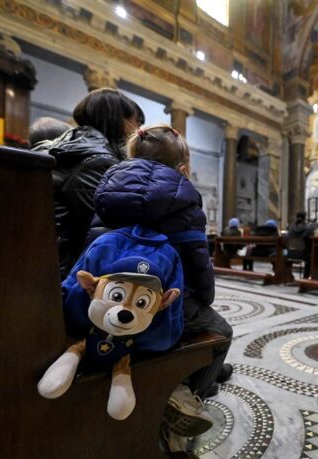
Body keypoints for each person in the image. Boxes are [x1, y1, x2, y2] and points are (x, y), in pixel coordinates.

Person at [92, 124, 233, 449]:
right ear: (182, 169)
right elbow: (199, 266)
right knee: (221, 332)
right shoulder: (184, 197)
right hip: (157, 305)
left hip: (105, 304)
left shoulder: (107, 187)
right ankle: (186, 396)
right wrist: (205, 298)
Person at [32, 88, 144, 279]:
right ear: (120, 121)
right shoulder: (97, 161)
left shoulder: (58, 146)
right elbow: (112, 228)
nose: (139, 132)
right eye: (137, 123)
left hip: (38, 258)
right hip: (64, 272)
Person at [286, 211, 318, 278]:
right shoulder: (308, 228)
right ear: (305, 218)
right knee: (313, 256)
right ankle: (306, 277)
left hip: (290, 253)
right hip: (303, 255)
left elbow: (286, 238)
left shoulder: (290, 227)